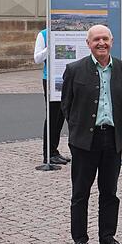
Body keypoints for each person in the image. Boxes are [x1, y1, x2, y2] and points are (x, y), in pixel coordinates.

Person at [61, 25, 122, 244]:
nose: (101, 43)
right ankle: (80, 239)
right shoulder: (74, 69)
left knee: (109, 192)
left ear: (112, 41)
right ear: (88, 43)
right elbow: (67, 105)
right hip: (84, 140)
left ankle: (107, 237)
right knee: (81, 192)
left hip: (112, 139)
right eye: (96, 40)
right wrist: (78, 130)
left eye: (105, 39)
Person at [34, 28, 70, 166]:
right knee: (52, 115)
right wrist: (51, 47)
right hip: (51, 79)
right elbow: (37, 58)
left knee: (61, 116)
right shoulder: (43, 34)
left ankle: (54, 150)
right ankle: (48, 153)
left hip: (68, 77)